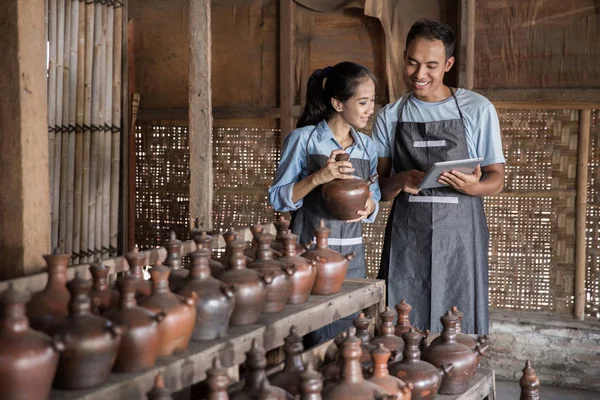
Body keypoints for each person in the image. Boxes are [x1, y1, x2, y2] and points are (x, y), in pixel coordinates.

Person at [374, 19, 506, 335]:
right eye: (412, 63)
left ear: (448, 63)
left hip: (462, 235)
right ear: (403, 57)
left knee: (459, 324)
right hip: (408, 235)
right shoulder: (390, 116)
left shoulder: (477, 109)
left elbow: (497, 178)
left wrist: (475, 186)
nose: (420, 75)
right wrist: (400, 180)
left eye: (431, 65)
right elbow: (379, 187)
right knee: (404, 322)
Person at [269, 61, 381, 346]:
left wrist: (370, 207)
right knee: (315, 342)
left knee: (350, 343)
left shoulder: (367, 147)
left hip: (353, 259)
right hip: (310, 260)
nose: (371, 109)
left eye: (372, 101)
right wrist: (319, 176)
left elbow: (375, 195)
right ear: (338, 103)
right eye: (364, 102)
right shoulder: (304, 140)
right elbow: (278, 198)